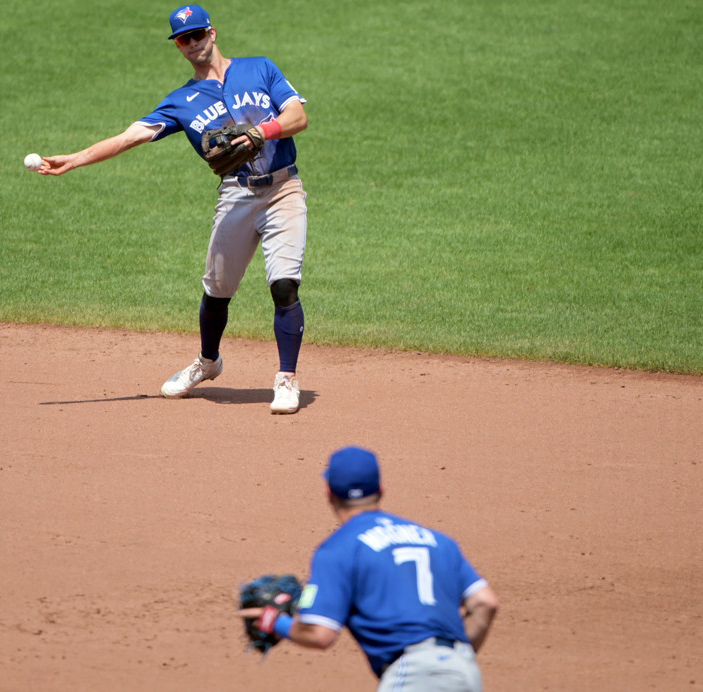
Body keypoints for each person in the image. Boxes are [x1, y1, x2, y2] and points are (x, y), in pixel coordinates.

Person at [38, 5, 309, 414]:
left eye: (198, 34)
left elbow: (297, 116)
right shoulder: (182, 101)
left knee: (284, 284)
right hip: (235, 196)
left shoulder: (260, 68)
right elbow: (130, 137)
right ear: (178, 46)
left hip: (283, 189)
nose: (193, 43)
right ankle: (208, 362)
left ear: (213, 33)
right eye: (184, 39)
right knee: (216, 292)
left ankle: (286, 378)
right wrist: (74, 159)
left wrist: (261, 130)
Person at [240, 446, 499, 691]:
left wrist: (275, 621)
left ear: (329, 494)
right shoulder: (438, 541)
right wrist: (451, 661)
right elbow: (485, 603)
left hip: (413, 676)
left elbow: (320, 634)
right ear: (382, 490)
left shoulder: (338, 549)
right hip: (464, 671)